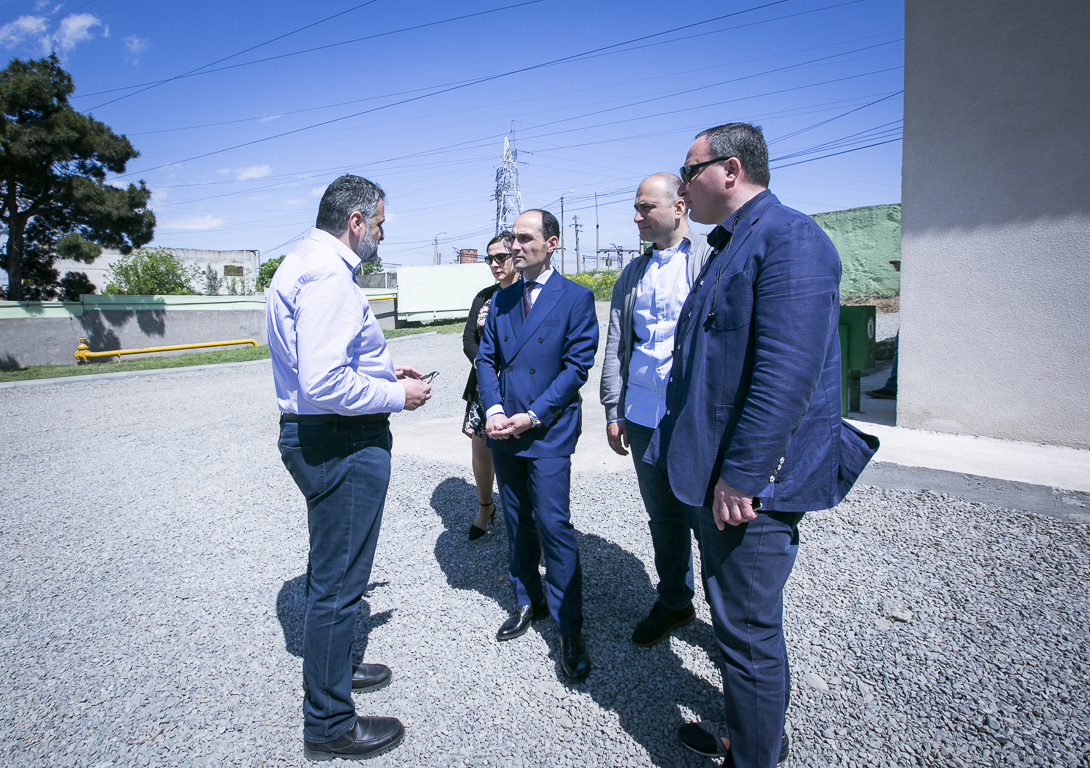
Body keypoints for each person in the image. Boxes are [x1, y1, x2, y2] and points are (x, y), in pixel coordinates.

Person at [642, 124, 878, 767]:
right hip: (714, 472)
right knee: (734, 624)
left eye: (689, 171)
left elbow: (786, 376)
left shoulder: (791, 239)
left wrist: (743, 475)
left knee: (746, 634)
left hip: (748, 486)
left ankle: (753, 757)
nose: (683, 186)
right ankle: (752, 736)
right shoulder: (734, 242)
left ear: (730, 170)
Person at [266, 174, 432, 762]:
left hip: (322, 434)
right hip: (341, 441)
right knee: (339, 587)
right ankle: (329, 724)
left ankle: (334, 670)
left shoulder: (301, 263)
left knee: (331, 572)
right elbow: (324, 381)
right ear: (356, 221)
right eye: (379, 223)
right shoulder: (328, 276)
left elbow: (326, 362)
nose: (382, 234)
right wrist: (396, 396)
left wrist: (383, 370)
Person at [475, 208, 599, 681]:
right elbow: (486, 359)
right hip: (505, 430)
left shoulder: (576, 298)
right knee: (516, 520)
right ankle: (529, 599)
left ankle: (570, 628)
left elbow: (576, 367)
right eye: (513, 239)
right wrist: (494, 410)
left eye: (526, 238)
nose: (515, 247)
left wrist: (533, 415)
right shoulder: (502, 299)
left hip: (546, 430)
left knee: (553, 525)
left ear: (551, 244)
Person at [600, 172, 713, 647]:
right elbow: (617, 343)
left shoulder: (712, 260)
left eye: (646, 207)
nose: (637, 217)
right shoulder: (633, 273)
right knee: (664, 518)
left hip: (695, 419)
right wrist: (613, 408)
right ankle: (674, 602)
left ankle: (730, 623)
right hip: (644, 414)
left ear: (679, 207)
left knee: (709, 521)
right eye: (636, 207)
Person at [462, 230, 519, 540]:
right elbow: (469, 339)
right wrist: (483, 366)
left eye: (501, 257)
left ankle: (522, 512)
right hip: (483, 388)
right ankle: (486, 507)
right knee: (481, 450)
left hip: (518, 387)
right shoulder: (484, 297)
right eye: (490, 259)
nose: (495, 264)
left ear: (515, 255)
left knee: (518, 450)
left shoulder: (528, 293)